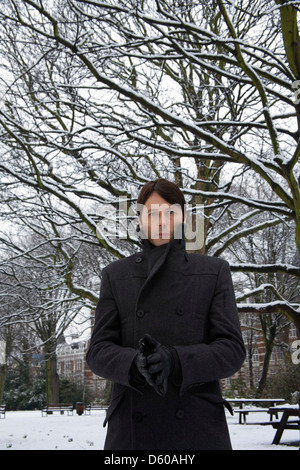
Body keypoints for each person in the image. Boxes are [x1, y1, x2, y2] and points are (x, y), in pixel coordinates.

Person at [86, 178, 246, 450]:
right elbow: (97, 351)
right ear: (139, 219)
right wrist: (134, 364)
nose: (161, 222)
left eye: (171, 213)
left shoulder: (214, 271)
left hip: (197, 427)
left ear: (183, 218)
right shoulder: (115, 275)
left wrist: (177, 361)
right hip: (132, 432)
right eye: (152, 213)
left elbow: (232, 350)